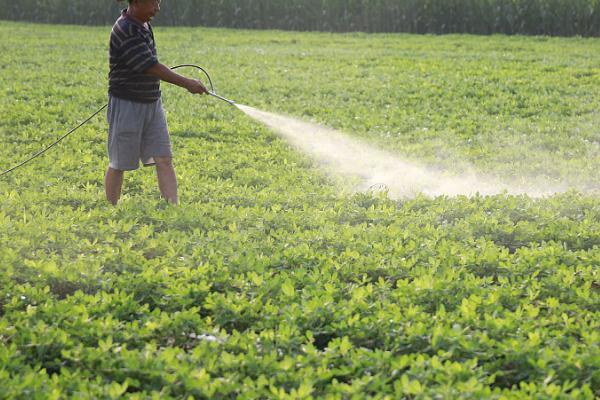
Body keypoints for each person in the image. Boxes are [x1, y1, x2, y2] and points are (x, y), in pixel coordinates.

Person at [106, 0, 207, 205]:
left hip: (152, 102)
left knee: (164, 158)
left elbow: (150, 64)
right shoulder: (126, 29)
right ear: (137, 2)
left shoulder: (144, 24)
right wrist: (187, 82)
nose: (157, 9)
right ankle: (111, 208)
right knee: (119, 162)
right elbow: (150, 66)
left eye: (159, 2)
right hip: (127, 104)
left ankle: (173, 207)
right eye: (153, 3)